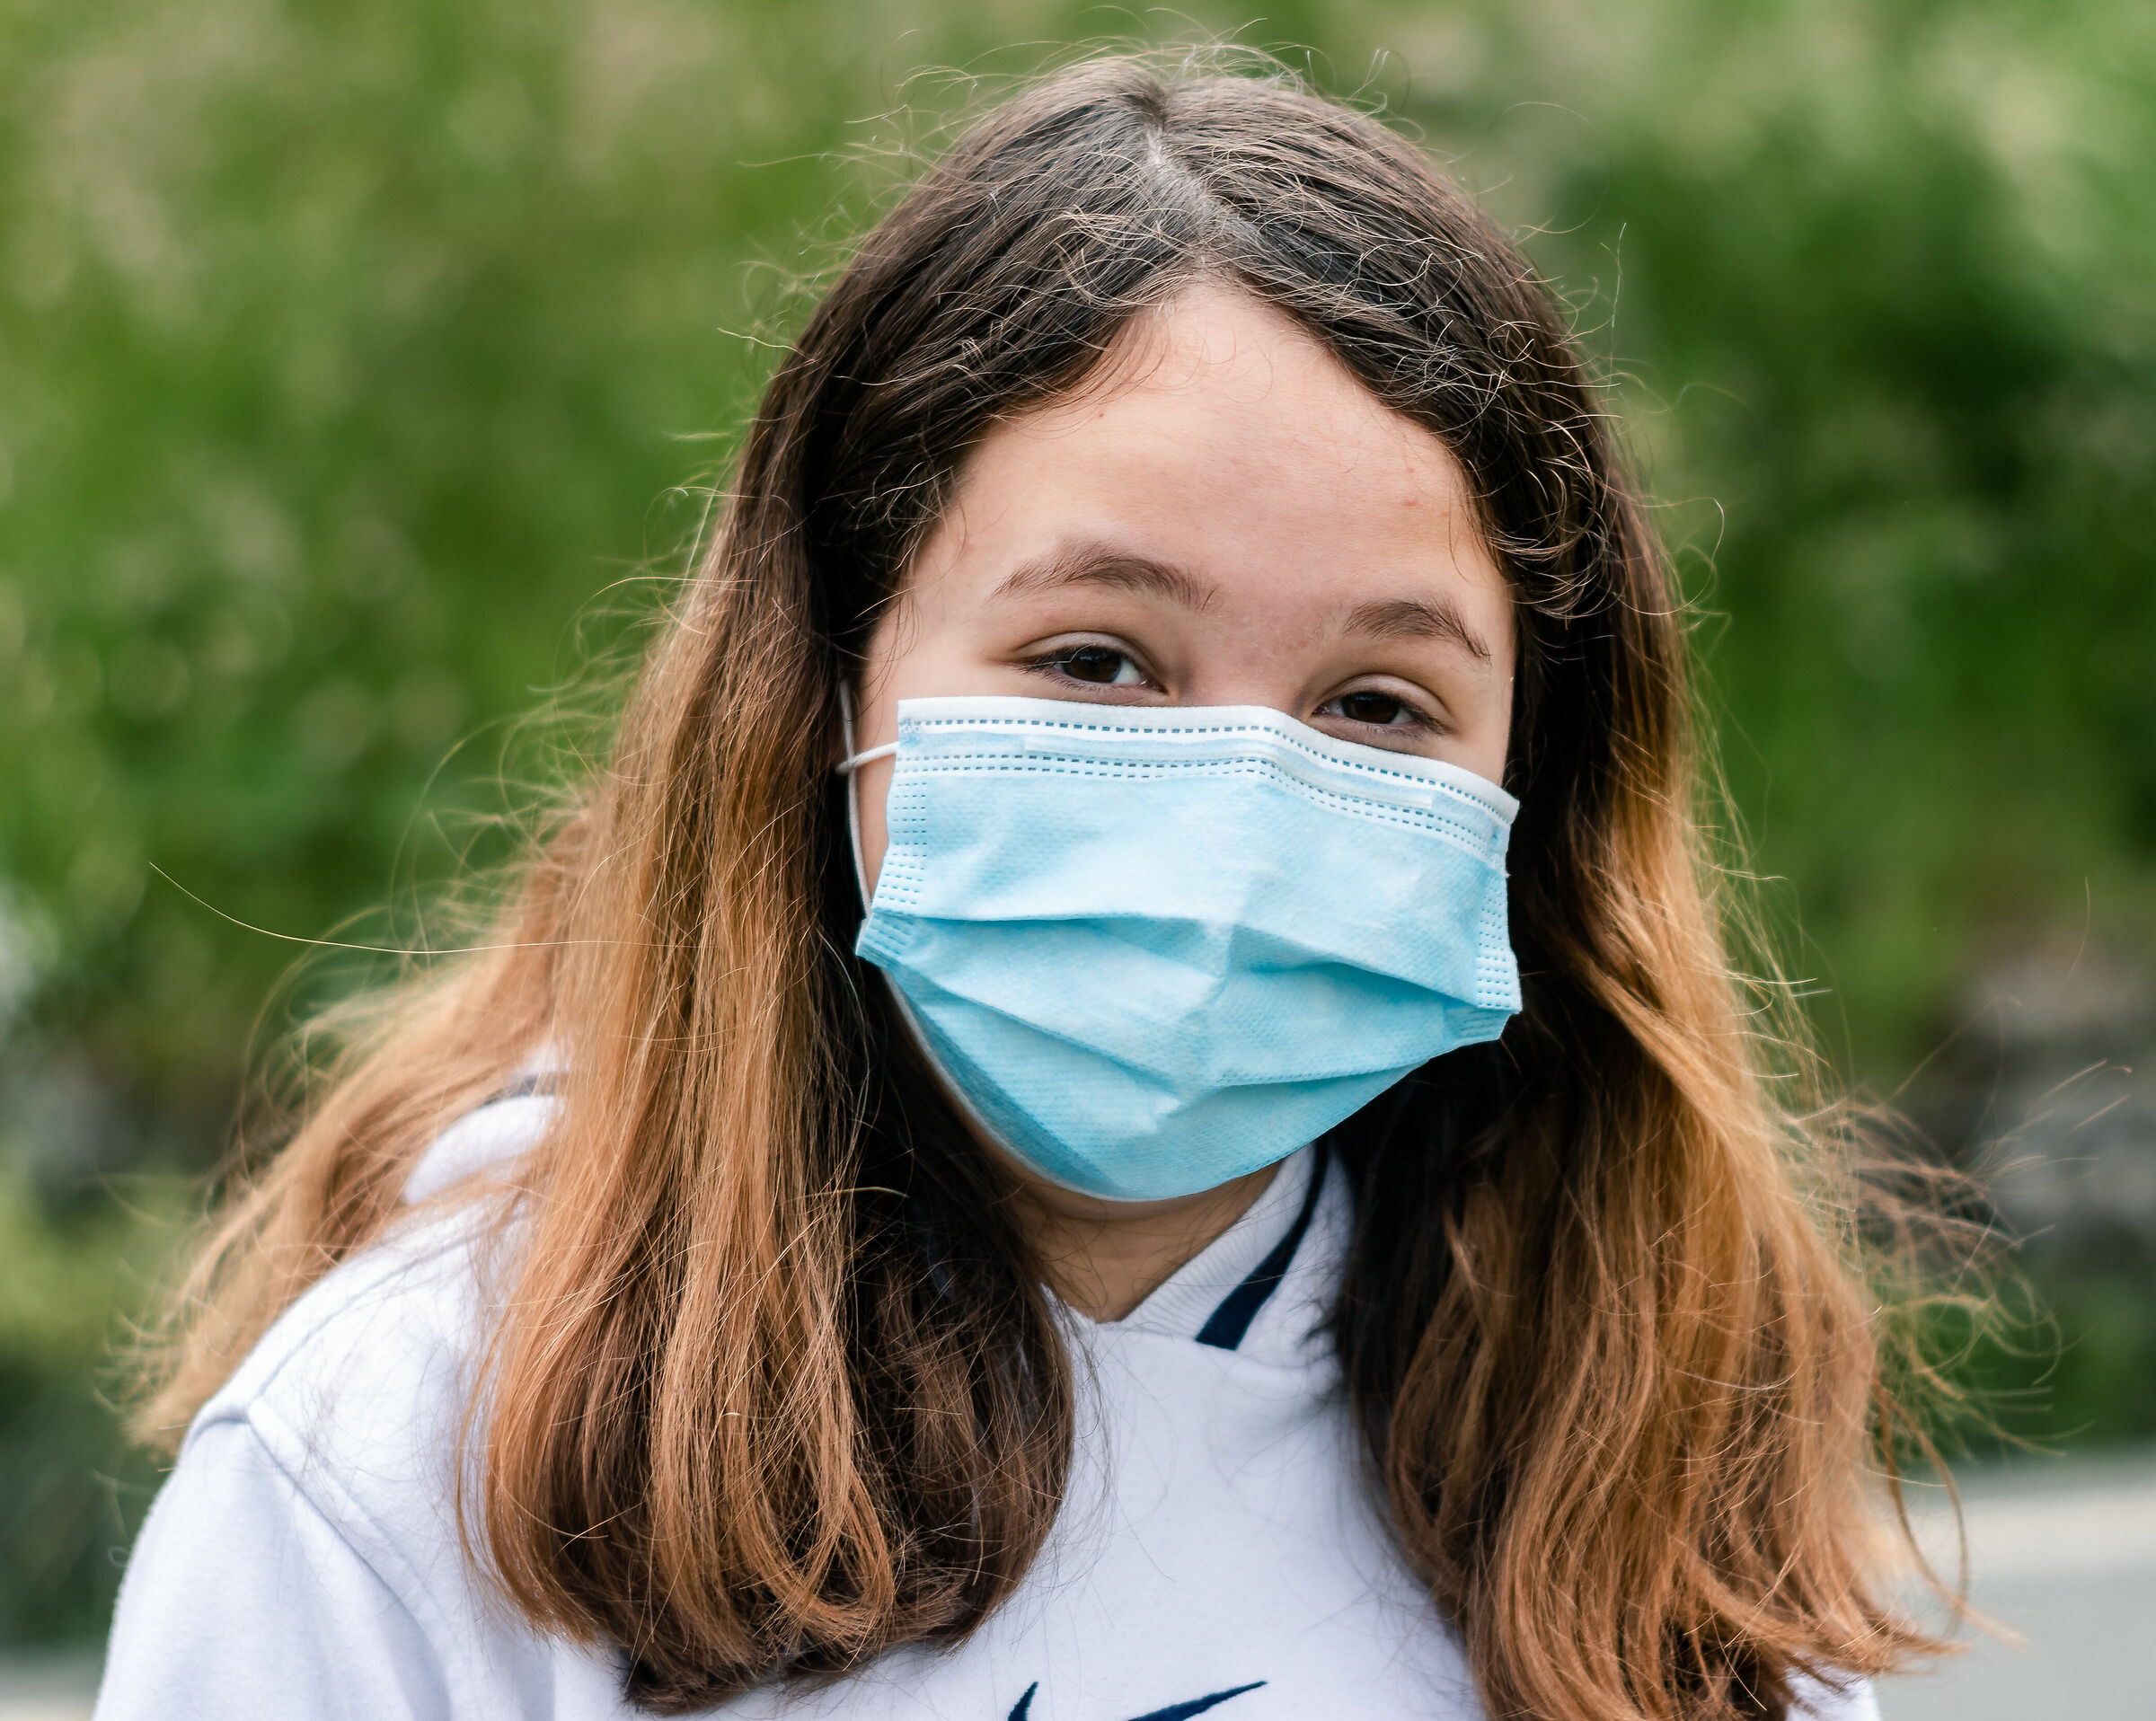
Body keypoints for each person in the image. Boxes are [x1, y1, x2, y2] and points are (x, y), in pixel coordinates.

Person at [96, 55, 1953, 1721]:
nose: (1239, 799)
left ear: (1529, 795)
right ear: (823, 681)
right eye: (1097, 658)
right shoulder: (407, 1463)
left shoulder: (1640, 1503)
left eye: (1378, 701)